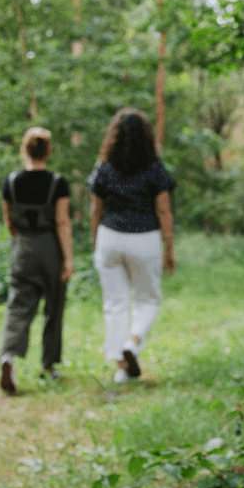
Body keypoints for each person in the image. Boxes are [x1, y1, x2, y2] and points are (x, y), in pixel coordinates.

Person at [88, 107, 176, 383]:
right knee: (148, 300)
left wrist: (97, 242)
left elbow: (95, 210)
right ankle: (132, 342)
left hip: (109, 236)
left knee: (115, 303)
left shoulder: (104, 169)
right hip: (144, 238)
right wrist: (169, 248)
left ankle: (120, 367)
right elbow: (164, 210)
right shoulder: (155, 169)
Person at [0, 126, 73, 395]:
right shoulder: (58, 183)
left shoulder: (11, 182)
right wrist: (68, 259)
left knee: (18, 305)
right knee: (54, 307)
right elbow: (62, 222)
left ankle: (8, 355)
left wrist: (22, 243)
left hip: (23, 247)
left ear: (24, 150)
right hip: (50, 246)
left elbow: (8, 221)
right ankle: (48, 366)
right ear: (48, 151)